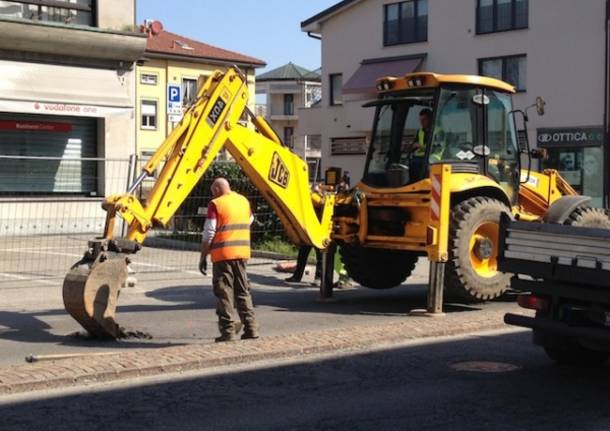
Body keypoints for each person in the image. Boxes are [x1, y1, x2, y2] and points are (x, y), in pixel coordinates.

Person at [200, 178, 259, 343]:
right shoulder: (243, 201)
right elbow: (250, 220)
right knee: (243, 291)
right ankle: (251, 328)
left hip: (223, 255)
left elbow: (209, 232)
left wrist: (203, 256)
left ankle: (228, 332)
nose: (213, 194)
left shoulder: (216, 204)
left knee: (224, 292)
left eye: (213, 191)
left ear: (218, 189)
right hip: (242, 253)